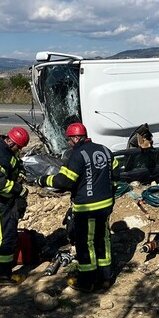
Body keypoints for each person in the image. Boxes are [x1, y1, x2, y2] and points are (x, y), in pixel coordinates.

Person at [36, 123, 117, 292]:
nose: (69, 143)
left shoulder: (77, 155)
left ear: (75, 138)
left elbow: (64, 181)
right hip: (106, 204)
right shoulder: (105, 150)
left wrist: (43, 180)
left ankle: (87, 282)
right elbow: (115, 172)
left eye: (69, 140)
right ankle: (106, 277)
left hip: (86, 207)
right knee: (103, 239)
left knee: (85, 243)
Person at [0, 126, 30, 285]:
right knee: (7, 237)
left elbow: (14, 163)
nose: (19, 151)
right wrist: (19, 189)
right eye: (19, 148)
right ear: (12, 143)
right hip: (1, 202)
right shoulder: (3, 156)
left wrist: (19, 173)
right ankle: (3, 276)